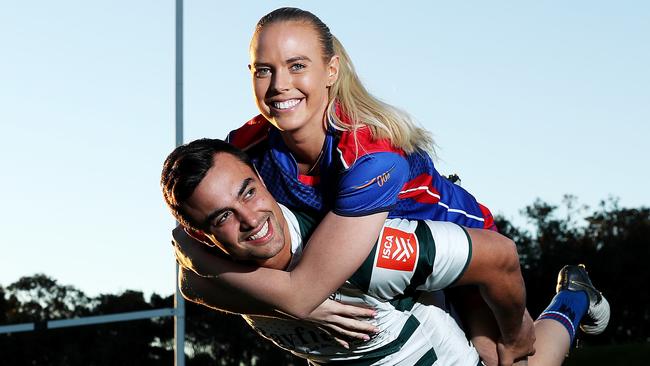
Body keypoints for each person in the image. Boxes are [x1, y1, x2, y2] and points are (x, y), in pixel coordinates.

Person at [162, 138, 610, 366]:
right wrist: (296, 302)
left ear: (261, 179)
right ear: (203, 235)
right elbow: (188, 276)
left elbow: (498, 256)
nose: (249, 219)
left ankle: (573, 297)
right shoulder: (220, 273)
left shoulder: (360, 250)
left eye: (248, 192)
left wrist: (513, 332)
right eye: (221, 217)